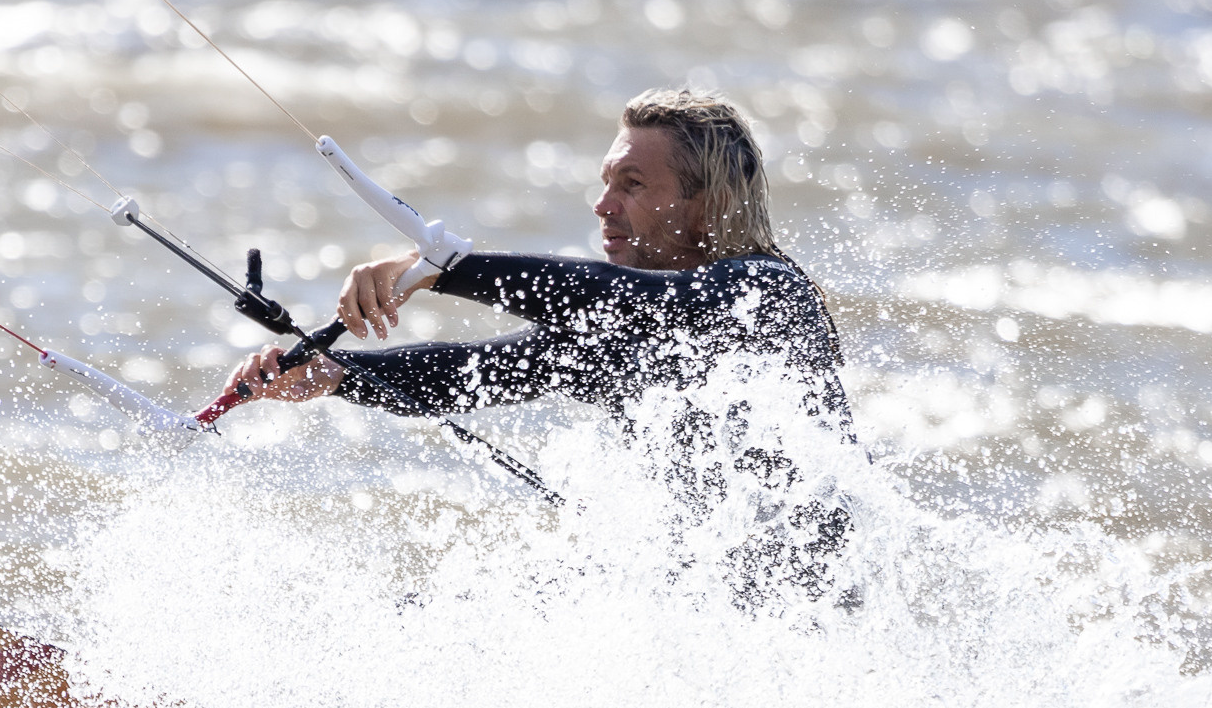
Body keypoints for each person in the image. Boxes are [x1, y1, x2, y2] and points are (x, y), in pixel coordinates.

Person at [215, 87, 860, 601]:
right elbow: (476, 371)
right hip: (700, 606)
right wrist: (336, 376)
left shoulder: (767, 295)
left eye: (632, 185)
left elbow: (642, 304)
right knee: (449, 607)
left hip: (800, 627)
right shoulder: (631, 336)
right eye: (606, 182)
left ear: (707, 204)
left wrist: (446, 269)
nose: (603, 205)